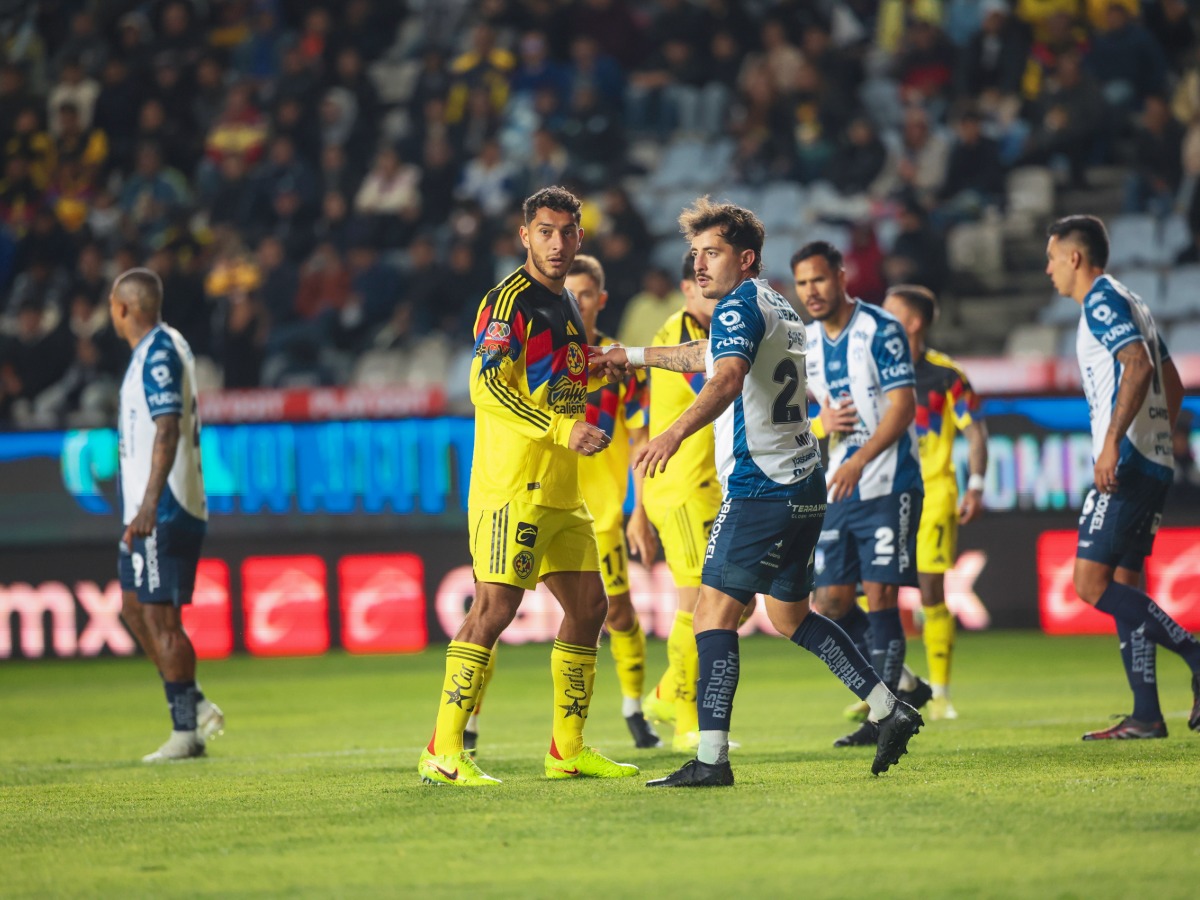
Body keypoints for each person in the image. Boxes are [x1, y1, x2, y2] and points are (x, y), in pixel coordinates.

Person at [594, 198, 922, 786]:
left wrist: (670, 432)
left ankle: (711, 760)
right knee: (792, 617)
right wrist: (635, 355)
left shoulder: (740, 304)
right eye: (694, 254)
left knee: (711, 615)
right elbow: (706, 354)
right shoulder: (776, 303)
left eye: (712, 253)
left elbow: (724, 375)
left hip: (759, 485)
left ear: (745, 258)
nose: (699, 265)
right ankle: (887, 707)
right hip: (804, 480)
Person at [418, 186, 639, 786]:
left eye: (568, 232)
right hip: (513, 485)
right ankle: (442, 750)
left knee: (590, 606)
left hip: (562, 492)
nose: (558, 242)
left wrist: (596, 369)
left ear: (580, 237)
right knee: (494, 610)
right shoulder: (506, 302)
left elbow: (550, 381)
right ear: (525, 236)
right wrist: (564, 428)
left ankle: (566, 751)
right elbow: (488, 387)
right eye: (546, 231)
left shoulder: (564, 303)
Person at [1044, 215, 1200, 740]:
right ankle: (1146, 715)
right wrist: (1158, 434)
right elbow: (1172, 380)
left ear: (1074, 257)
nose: (1047, 270)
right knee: (1127, 580)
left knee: (1090, 583)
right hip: (1149, 457)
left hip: (1128, 462)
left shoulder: (1103, 302)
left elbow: (1136, 365)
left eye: (1051, 258)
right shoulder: (1132, 299)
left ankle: (1195, 654)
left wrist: (1114, 442)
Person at [793, 241, 926, 749]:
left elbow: (902, 408)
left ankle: (884, 715)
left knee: (882, 594)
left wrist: (857, 459)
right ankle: (907, 686)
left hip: (888, 481)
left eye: (820, 280)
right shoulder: (802, 342)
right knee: (829, 601)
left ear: (842, 276)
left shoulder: (880, 329)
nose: (812, 291)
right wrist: (818, 423)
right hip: (840, 487)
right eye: (803, 283)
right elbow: (793, 411)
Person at [109, 268, 224, 761]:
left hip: (164, 506)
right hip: (145, 509)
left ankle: (185, 734)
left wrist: (151, 504)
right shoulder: (157, 349)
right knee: (134, 608)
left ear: (124, 309)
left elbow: (166, 429)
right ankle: (193, 704)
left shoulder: (158, 352)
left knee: (162, 618)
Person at [881, 285, 989, 720]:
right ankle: (886, 684)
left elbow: (976, 430)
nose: (881, 318)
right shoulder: (873, 369)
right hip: (883, 492)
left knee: (929, 591)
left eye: (891, 313)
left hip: (932, 492)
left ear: (913, 322)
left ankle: (941, 694)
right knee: (868, 593)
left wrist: (976, 483)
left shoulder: (946, 375)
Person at [567, 254, 661, 747]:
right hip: (536, 504)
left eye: (584, 294)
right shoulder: (540, 355)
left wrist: (638, 511)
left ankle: (633, 711)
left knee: (618, 615)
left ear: (600, 300)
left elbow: (641, 440)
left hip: (599, 515)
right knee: (491, 612)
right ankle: (468, 727)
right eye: (567, 292)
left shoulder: (620, 364)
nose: (575, 301)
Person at [639, 253, 723, 752]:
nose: (708, 293)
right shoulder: (677, 336)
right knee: (695, 605)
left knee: (735, 602)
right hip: (680, 488)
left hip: (706, 485)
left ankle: (668, 692)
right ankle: (685, 720)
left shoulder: (720, 333)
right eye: (699, 285)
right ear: (685, 291)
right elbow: (718, 389)